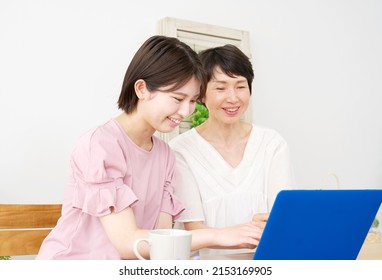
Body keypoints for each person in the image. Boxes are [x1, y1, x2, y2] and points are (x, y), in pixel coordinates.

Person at [36, 36, 261, 260]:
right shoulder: (100, 145)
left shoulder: (165, 155)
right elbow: (127, 243)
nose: (185, 111)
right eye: (177, 98)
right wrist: (218, 236)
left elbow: (161, 241)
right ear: (142, 89)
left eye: (192, 100)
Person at [169, 44, 295, 257]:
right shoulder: (180, 151)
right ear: (201, 94)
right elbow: (194, 231)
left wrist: (274, 225)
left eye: (240, 86)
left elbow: (284, 222)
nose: (233, 98)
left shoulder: (272, 144)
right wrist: (251, 231)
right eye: (220, 88)